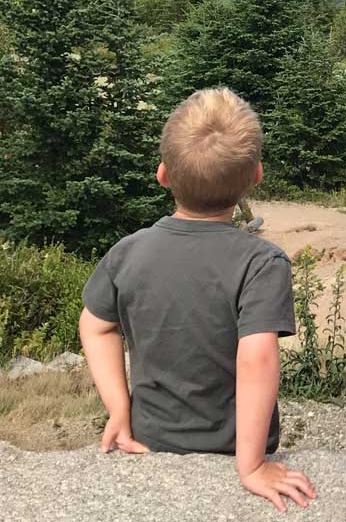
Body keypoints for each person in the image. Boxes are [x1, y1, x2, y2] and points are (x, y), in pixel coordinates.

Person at [79, 88, 316, 512]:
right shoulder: (262, 262)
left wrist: (119, 407)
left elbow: (95, 325)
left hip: (149, 437)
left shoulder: (128, 251)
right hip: (229, 446)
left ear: (163, 175)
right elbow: (257, 357)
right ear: (256, 177)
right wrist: (253, 465)